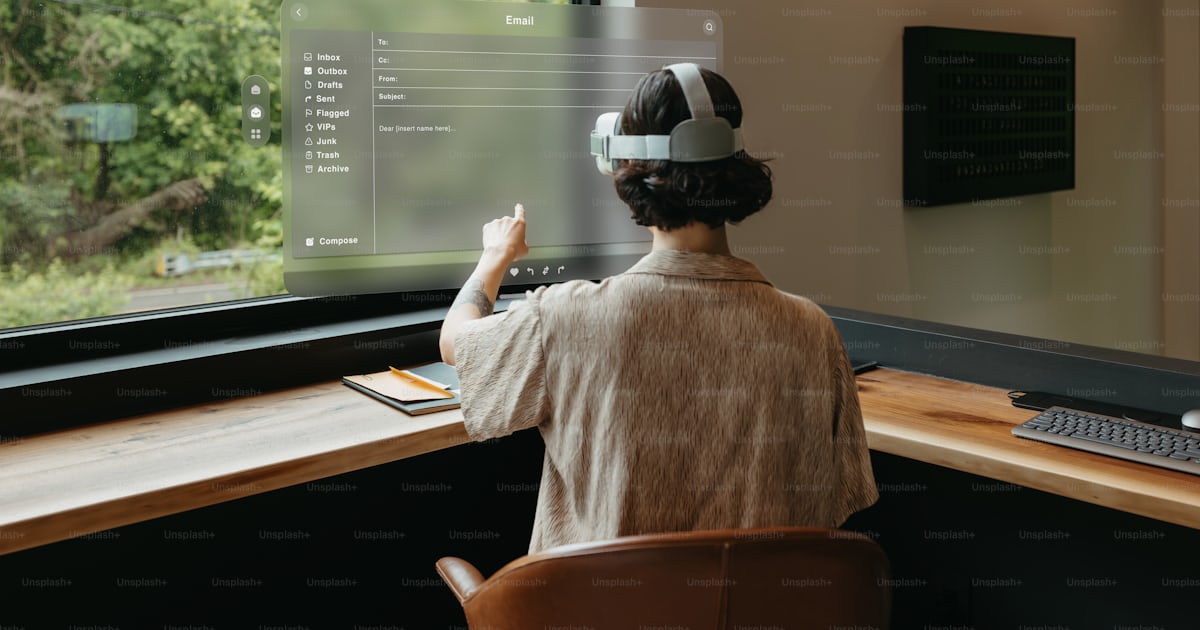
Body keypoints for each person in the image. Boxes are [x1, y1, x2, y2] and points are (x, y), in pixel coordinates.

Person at [439, 65, 877, 554]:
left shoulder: (566, 319)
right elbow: (839, 501)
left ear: (626, 170)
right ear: (737, 166)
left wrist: (494, 257)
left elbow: (457, 344)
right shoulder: (812, 331)